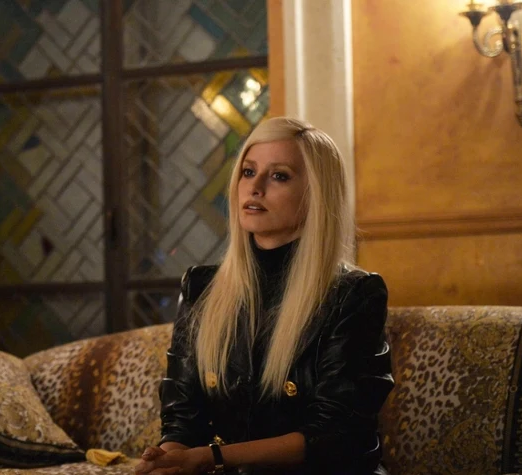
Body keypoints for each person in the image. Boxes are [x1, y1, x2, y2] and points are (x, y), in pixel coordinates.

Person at [135, 117, 394, 475]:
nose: (254, 188)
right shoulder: (201, 287)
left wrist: (210, 457)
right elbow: (182, 418)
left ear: (315, 194)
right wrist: (169, 459)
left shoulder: (354, 294)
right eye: (248, 172)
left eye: (279, 176)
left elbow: (334, 435)